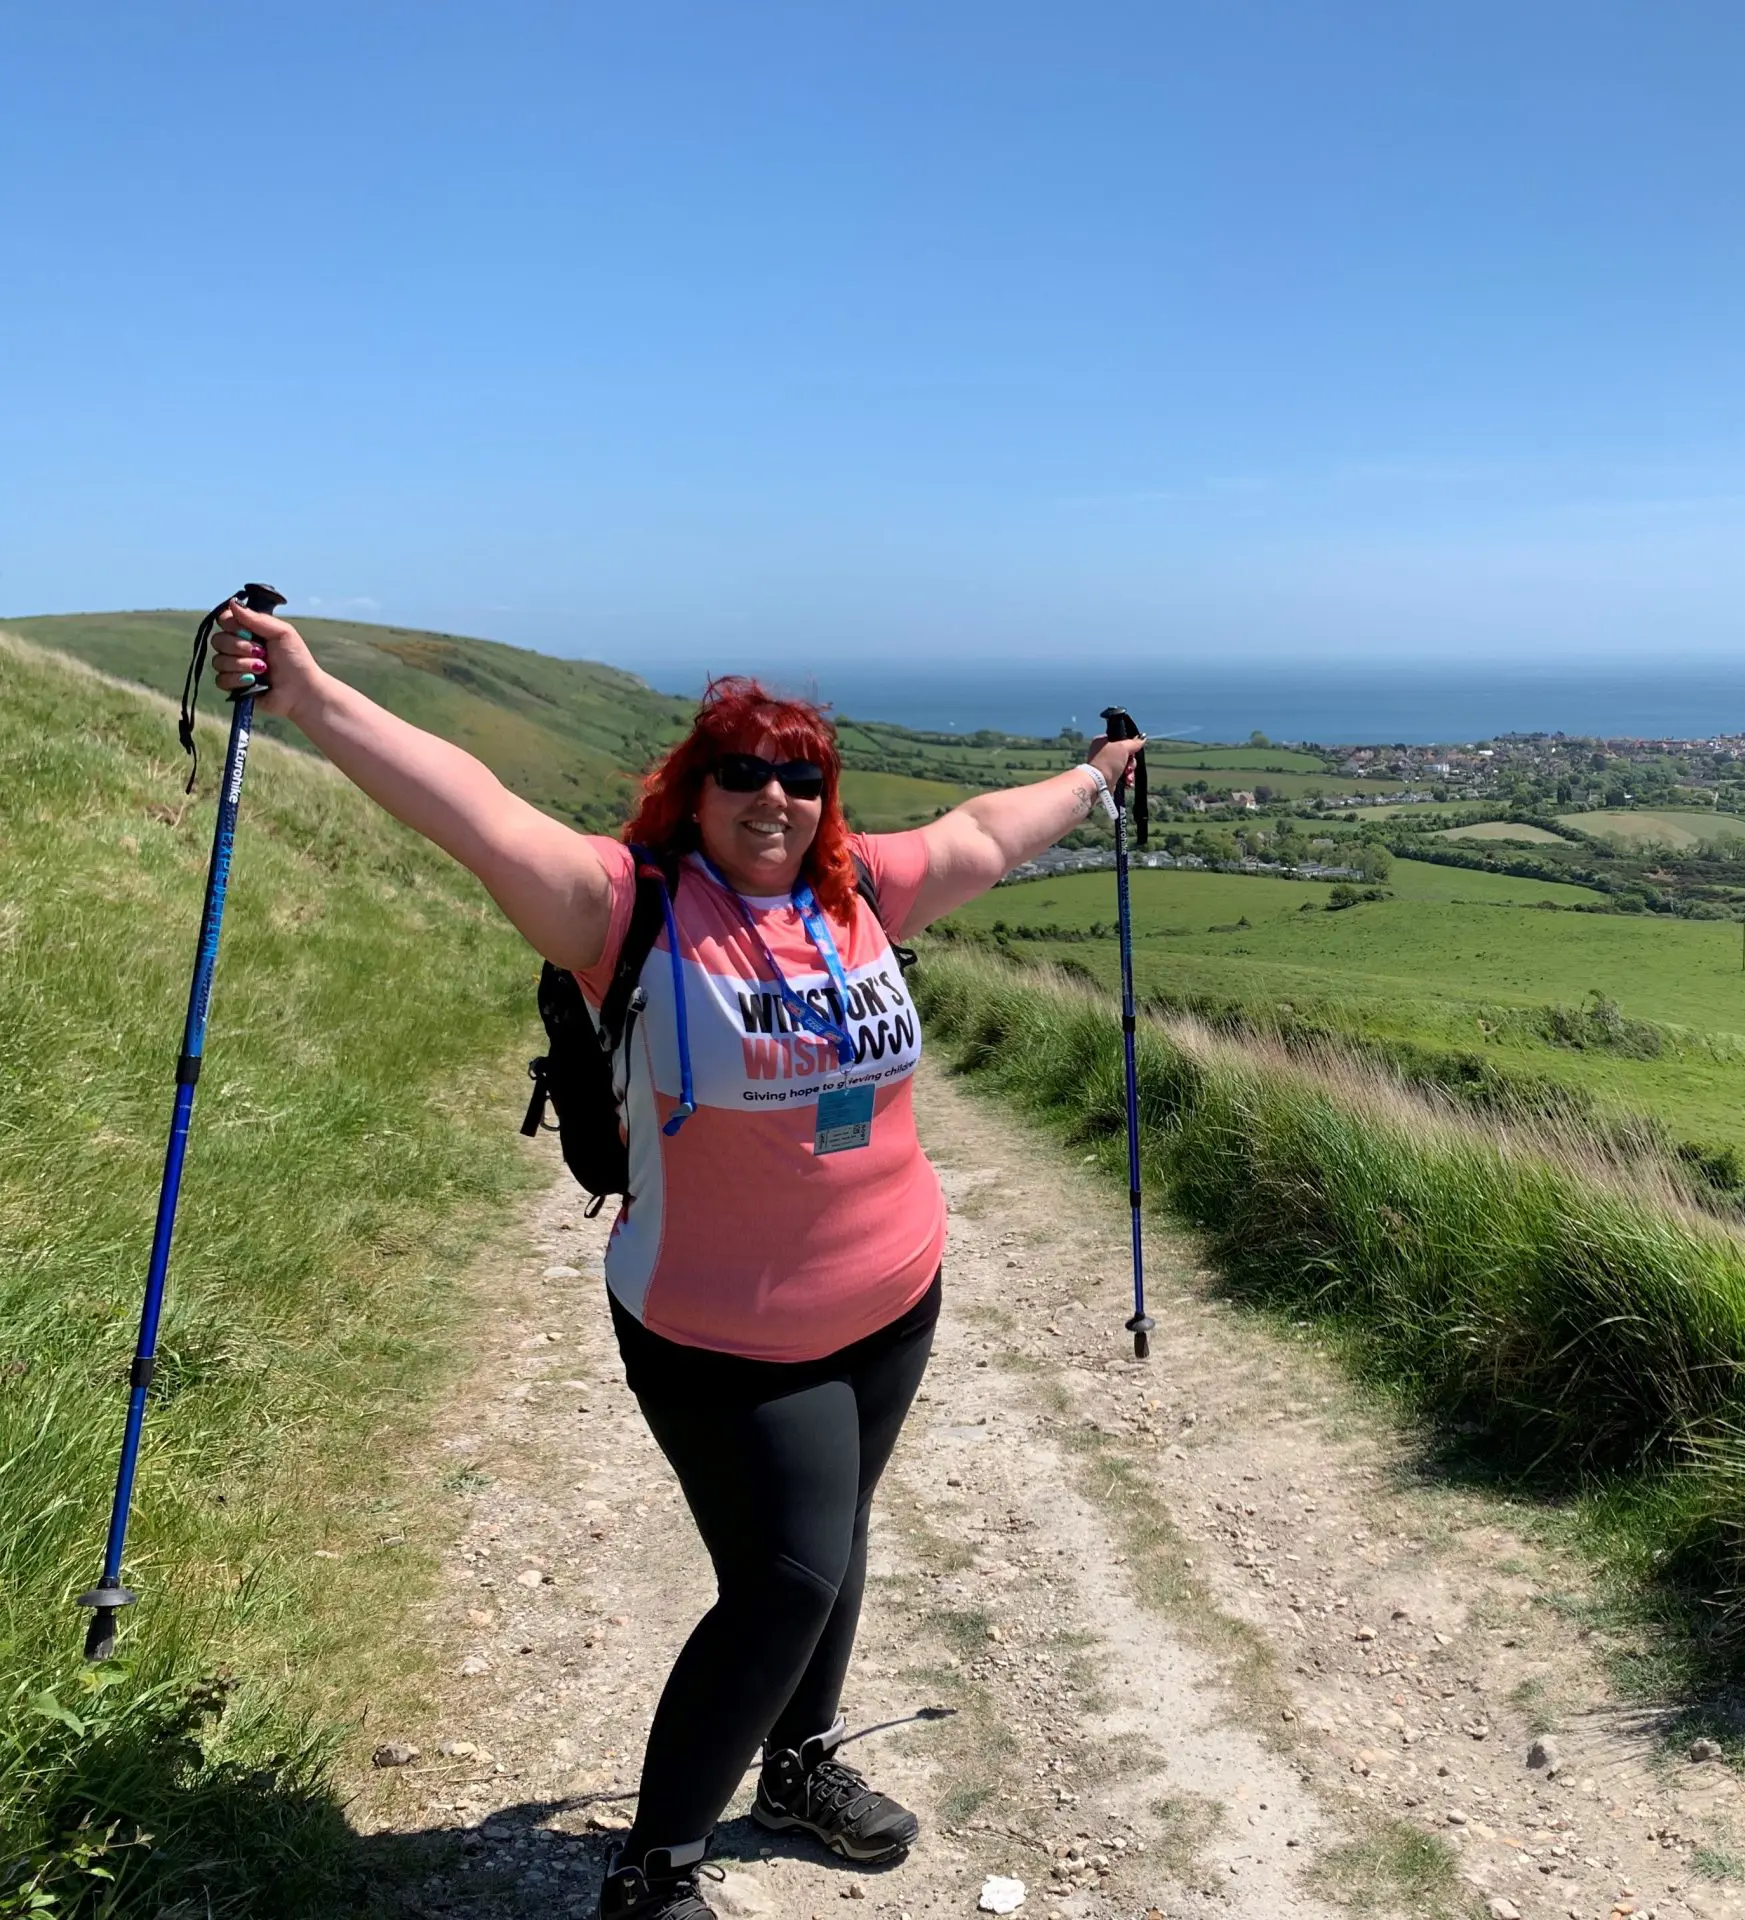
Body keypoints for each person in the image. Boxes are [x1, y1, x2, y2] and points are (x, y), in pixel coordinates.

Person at [208, 605, 1143, 1920]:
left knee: (835, 1536)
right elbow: (470, 808)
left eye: (801, 774)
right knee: (786, 1582)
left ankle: (799, 1769)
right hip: (719, 1330)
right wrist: (309, 696)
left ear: (827, 797)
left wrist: (1096, 779)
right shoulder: (621, 907)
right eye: (743, 771)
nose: (775, 795)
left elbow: (991, 830)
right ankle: (656, 1867)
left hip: (895, 1298)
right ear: (694, 790)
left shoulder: (862, 889)